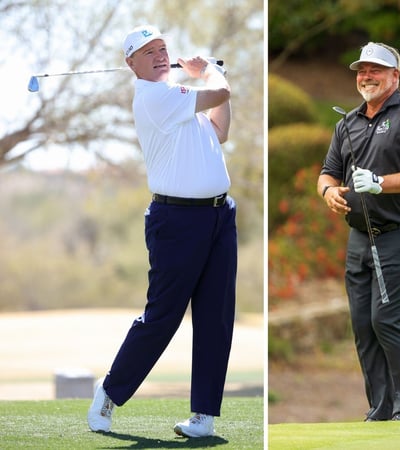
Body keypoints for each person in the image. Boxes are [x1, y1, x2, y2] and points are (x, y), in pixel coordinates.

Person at [87, 24, 237, 438]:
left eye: (162, 48)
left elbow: (221, 129)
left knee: (216, 316)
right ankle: (110, 393)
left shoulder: (180, 100)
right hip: (177, 221)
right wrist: (207, 72)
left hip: (219, 216)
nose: (157, 55)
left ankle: (203, 416)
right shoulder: (156, 96)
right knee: (163, 316)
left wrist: (207, 77)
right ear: (130, 63)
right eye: (146, 51)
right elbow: (221, 94)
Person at [317, 42, 400, 421]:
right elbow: (328, 172)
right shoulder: (347, 122)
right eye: (361, 70)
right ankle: (381, 408)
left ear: (395, 75)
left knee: (386, 319)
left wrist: (380, 183)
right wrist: (328, 192)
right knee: (362, 325)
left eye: (376, 70)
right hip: (360, 237)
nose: (366, 76)